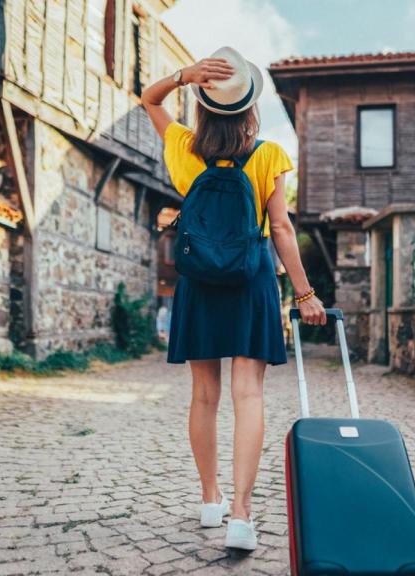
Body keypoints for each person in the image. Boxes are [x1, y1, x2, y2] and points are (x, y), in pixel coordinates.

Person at [141, 46, 327, 551]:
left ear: (203, 103)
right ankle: (241, 515)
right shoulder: (268, 155)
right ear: (249, 107)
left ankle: (210, 498)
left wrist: (184, 75)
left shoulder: (182, 146)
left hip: (199, 280)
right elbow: (283, 229)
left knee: (205, 395)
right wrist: (306, 293)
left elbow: (148, 98)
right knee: (249, 395)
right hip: (251, 279)